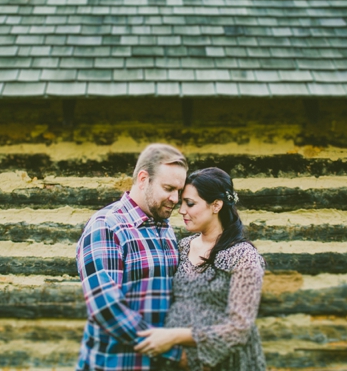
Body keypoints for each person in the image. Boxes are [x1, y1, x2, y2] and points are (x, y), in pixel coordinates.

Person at [135, 167, 267, 371]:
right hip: (176, 360)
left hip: (224, 363)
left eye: (190, 203)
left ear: (216, 205)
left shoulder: (243, 256)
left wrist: (174, 336)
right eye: (182, 203)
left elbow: (239, 329)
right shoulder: (182, 246)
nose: (181, 210)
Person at [75, 143, 189, 371]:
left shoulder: (165, 228)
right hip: (117, 363)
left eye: (179, 191)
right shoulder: (106, 225)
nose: (175, 199)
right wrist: (173, 351)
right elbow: (106, 307)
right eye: (168, 188)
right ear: (143, 179)